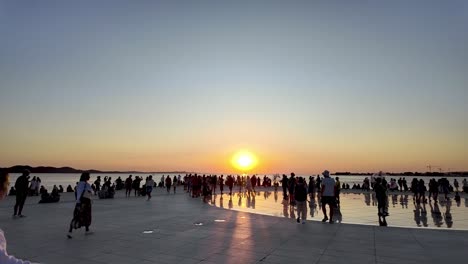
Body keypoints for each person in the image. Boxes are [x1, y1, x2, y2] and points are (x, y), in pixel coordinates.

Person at [1, 171, 37, 263]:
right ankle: (17, 213)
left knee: (20, 204)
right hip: (21, 193)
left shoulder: (23, 179)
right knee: (19, 203)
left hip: (21, 193)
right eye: (7, 185)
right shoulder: (22, 179)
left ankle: (17, 213)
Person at [68, 172, 93, 239]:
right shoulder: (86, 184)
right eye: (88, 176)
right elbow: (90, 193)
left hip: (78, 202)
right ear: (85, 177)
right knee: (86, 216)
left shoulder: (78, 184)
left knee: (76, 216)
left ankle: (70, 231)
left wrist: (78, 200)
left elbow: (76, 194)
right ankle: (87, 230)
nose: (89, 177)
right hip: (85, 204)